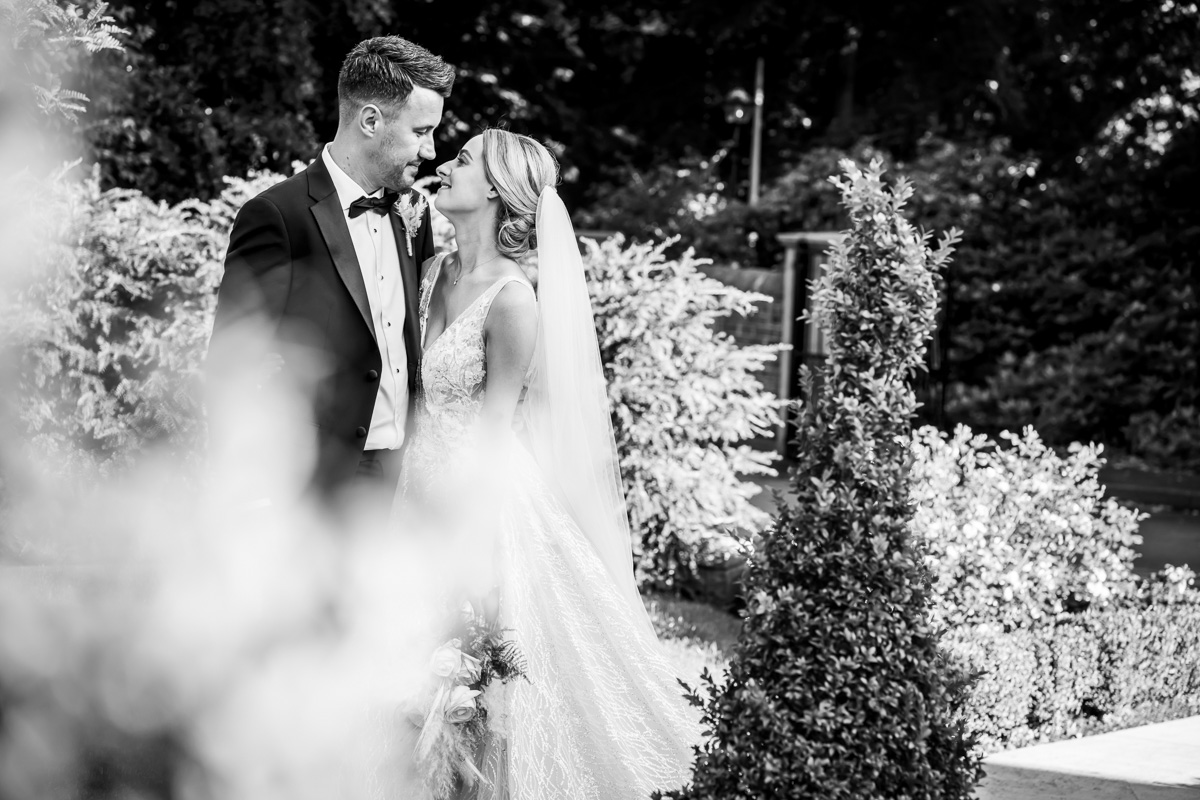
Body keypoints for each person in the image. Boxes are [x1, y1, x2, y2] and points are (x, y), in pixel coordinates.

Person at [397, 129, 698, 798]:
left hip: (480, 501)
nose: (445, 164)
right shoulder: (431, 272)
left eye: (464, 160)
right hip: (414, 486)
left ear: (499, 194)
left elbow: (496, 431)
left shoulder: (512, 299)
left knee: (482, 676)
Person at [207, 36, 455, 498]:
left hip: (408, 481)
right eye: (421, 131)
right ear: (370, 120)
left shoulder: (414, 213)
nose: (431, 151)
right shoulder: (278, 216)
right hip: (317, 486)